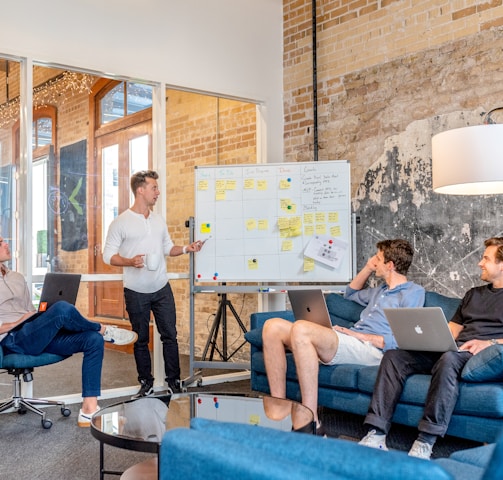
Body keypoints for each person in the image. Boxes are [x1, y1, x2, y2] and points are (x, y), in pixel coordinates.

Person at [359, 236, 503, 460]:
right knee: (395, 356)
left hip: (478, 355)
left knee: (448, 359)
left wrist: (491, 343)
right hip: (454, 348)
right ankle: (376, 433)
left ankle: (425, 441)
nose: (480, 263)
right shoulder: (473, 294)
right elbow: (452, 330)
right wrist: (430, 339)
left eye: (486, 258)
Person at [262, 238, 425, 435]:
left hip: (372, 350)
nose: (374, 260)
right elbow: (349, 293)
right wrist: (366, 268)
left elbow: (404, 339)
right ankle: (279, 404)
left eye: (378, 258)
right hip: (352, 341)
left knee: (302, 329)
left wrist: (359, 335)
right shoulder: (379, 291)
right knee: (272, 327)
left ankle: (311, 420)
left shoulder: (412, 293)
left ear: (390, 265)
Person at [0, 236, 137, 427]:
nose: (6, 244)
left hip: (34, 330)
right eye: (0, 242)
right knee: (63, 310)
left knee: (92, 340)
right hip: (13, 339)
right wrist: (17, 321)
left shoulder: (17, 277)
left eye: (5, 241)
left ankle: (89, 410)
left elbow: (29, 310)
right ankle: (103, 329)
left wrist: (38, 317)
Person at [103, 170, 203, 398]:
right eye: (154, 188)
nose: (157, 192)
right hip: (135, 291)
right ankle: (146, 383)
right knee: (140, 338)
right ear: (140, 189)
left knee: (170, 335)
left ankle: (173, 381)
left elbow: (168, 248)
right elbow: (108, 256)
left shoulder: (158, 220)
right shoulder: (121, 222)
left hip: (161, 288)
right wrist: (130, 261)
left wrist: (188, 248)